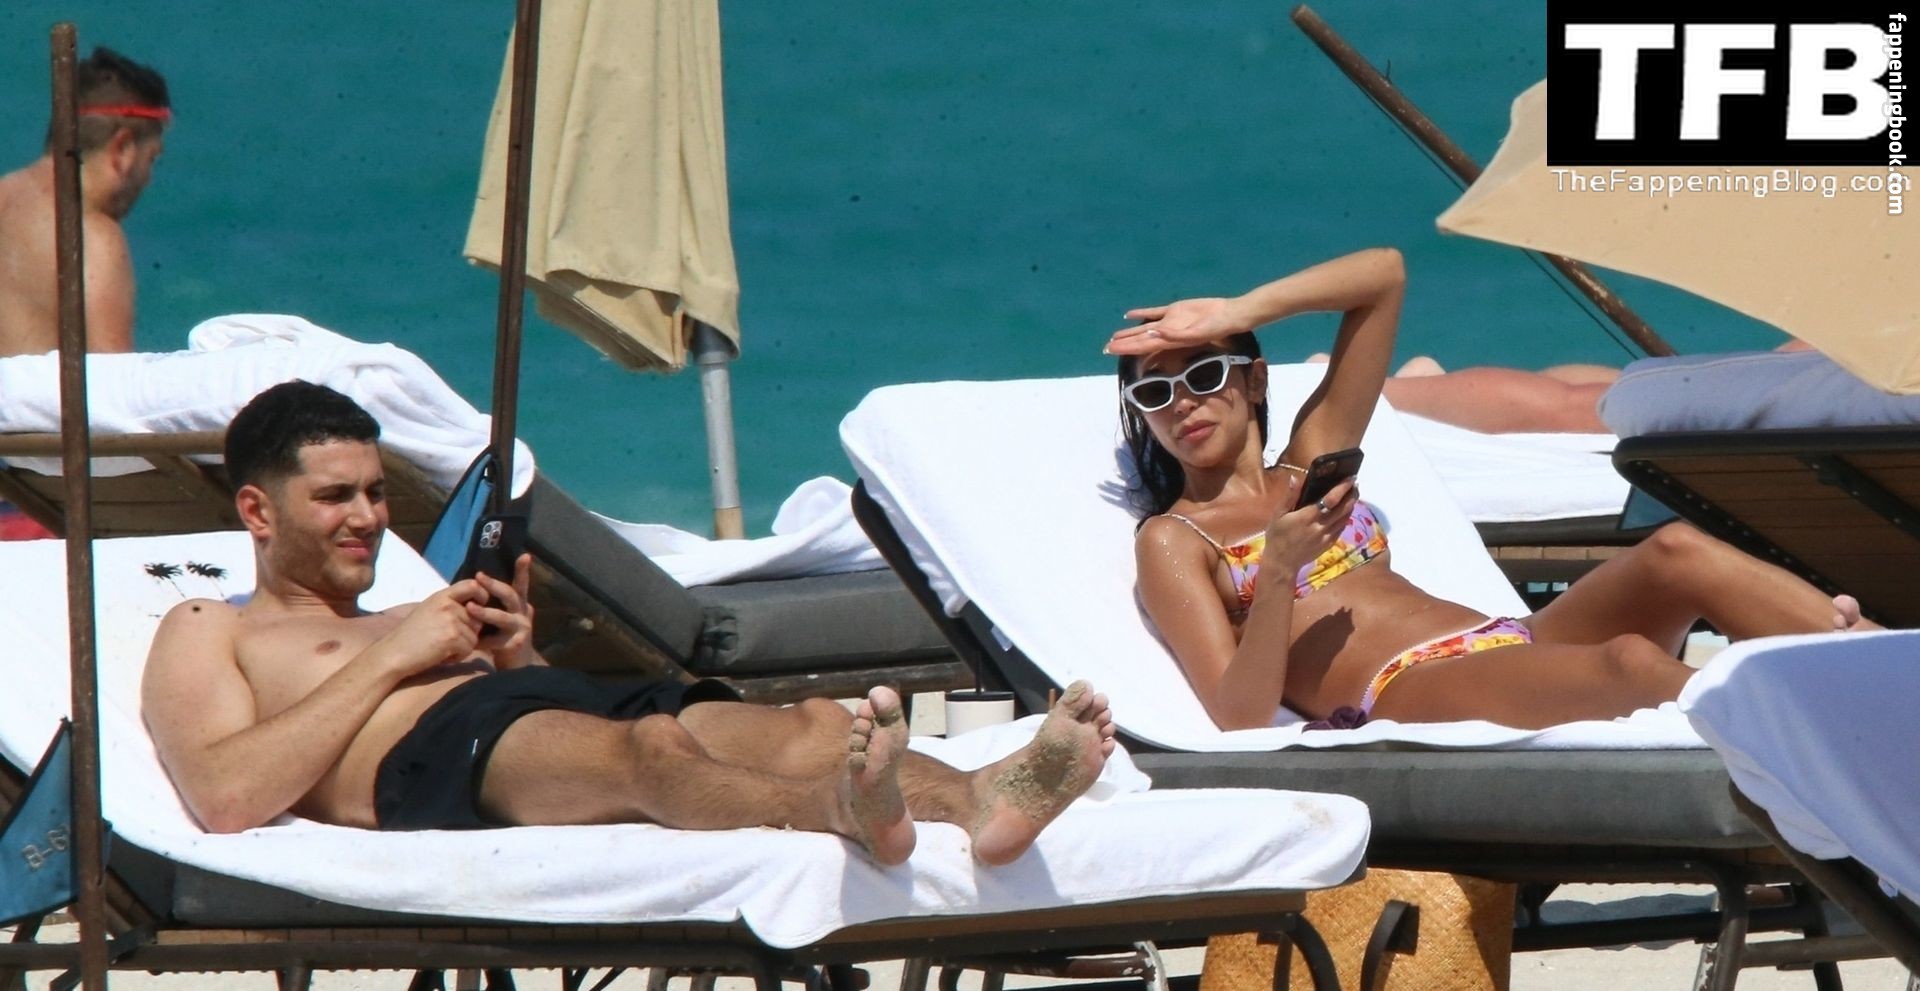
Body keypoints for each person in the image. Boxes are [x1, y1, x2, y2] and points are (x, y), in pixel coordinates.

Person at [141, 382, 1116, 866]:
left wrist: (518, 654)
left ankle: (983, 797)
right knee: (651, 754)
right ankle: (835, 810)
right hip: (426, 764)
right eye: (334, 497)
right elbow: (226, 795)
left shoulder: (409, 609)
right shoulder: (206, 626)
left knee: (816, 722)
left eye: (372, 491)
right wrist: (393, 657)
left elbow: (537, 726)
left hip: (517, 720)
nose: (367, 516)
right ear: (257, 510)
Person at [1107, 249, 1874, 731]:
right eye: (1155, 392)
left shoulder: (1307, 462)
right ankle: (1819, 744)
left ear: (1253, 379)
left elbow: (1383, 276)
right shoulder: (1176, 539)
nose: (1183, 402)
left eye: (1203, 372)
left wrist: (1238, 311)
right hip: (1409, 685)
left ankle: (1882, 668)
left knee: (1676, 551)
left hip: (1507, 639)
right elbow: (1237, 714)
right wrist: (1276, 572)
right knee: (1629, 664)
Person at [0, 46, 169, 358]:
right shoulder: (91, 238)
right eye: (152, 158)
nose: (148, 178)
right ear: (123, 148)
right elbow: (110, 381)